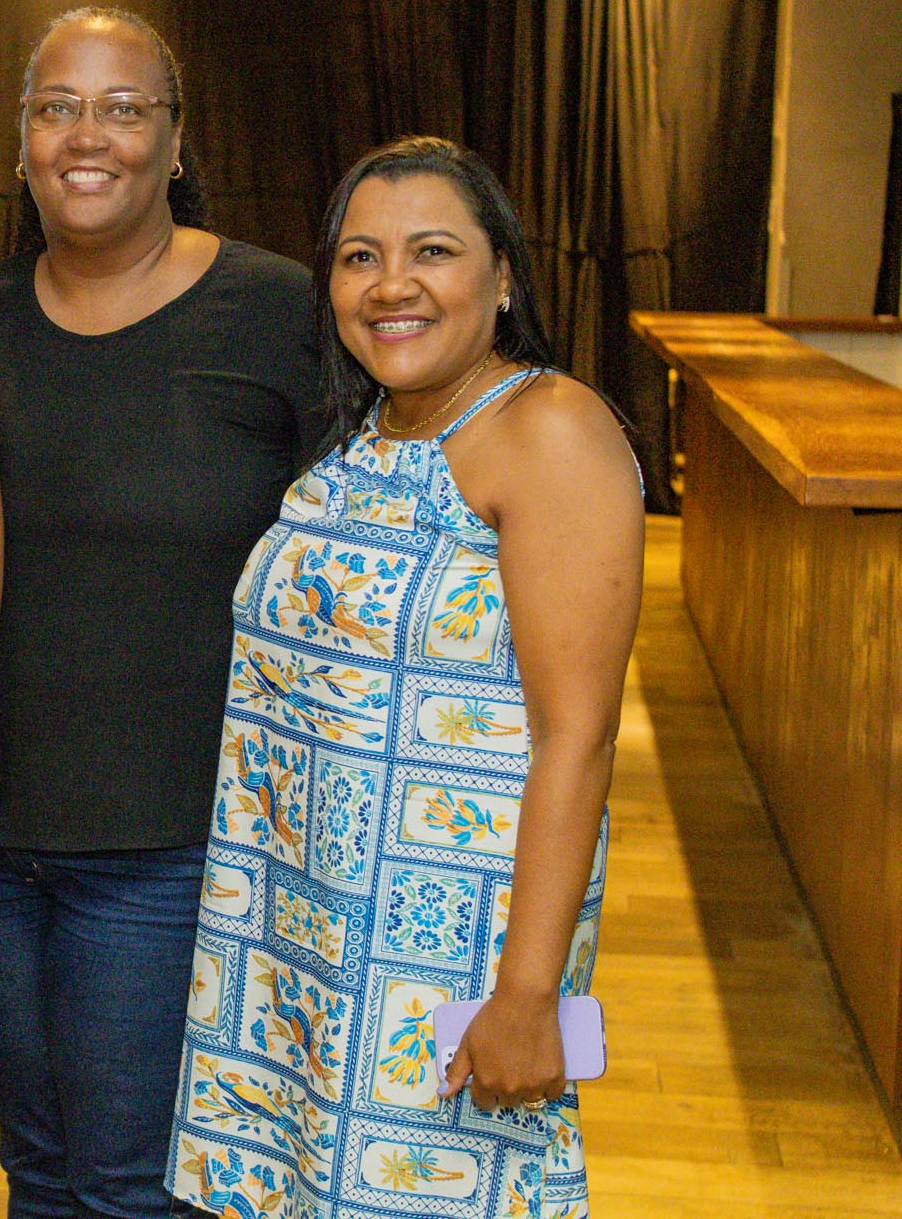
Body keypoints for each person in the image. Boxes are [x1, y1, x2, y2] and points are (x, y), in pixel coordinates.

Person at [167, 136, 641, 1218]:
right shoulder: (369, 432)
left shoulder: (545, 429)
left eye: (432, 251)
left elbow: (578, 735)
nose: (390, 284)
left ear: (503, 274)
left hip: (445, 957)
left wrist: (528, 991)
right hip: (301, 942)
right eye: (358, 257)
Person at [0, 8, 320, 1219]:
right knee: (37, 1166)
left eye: (120, 107)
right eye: (54, 107)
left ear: (175, 137)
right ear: (19, 145)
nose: (84, 134)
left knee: (124, 1183)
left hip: (170, 845)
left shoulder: (279, 312)